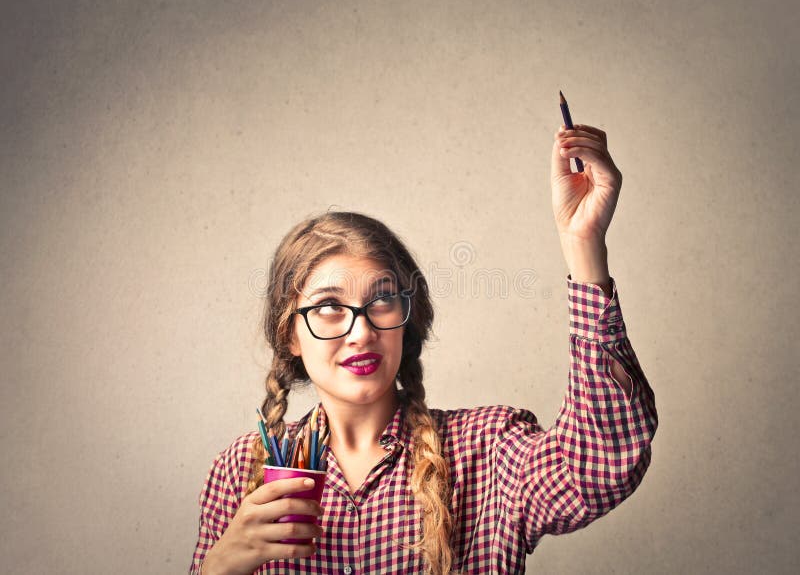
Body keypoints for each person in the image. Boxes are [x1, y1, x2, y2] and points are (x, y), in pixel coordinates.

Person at [189, 124, 658, 574]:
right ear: (290, 333)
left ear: (404, 319)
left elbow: (600, 464)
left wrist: (583, 242)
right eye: (330, 306)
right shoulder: (239, 473)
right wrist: (218, 569)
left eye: (382, 299)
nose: (361, 332)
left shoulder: (486, 451)